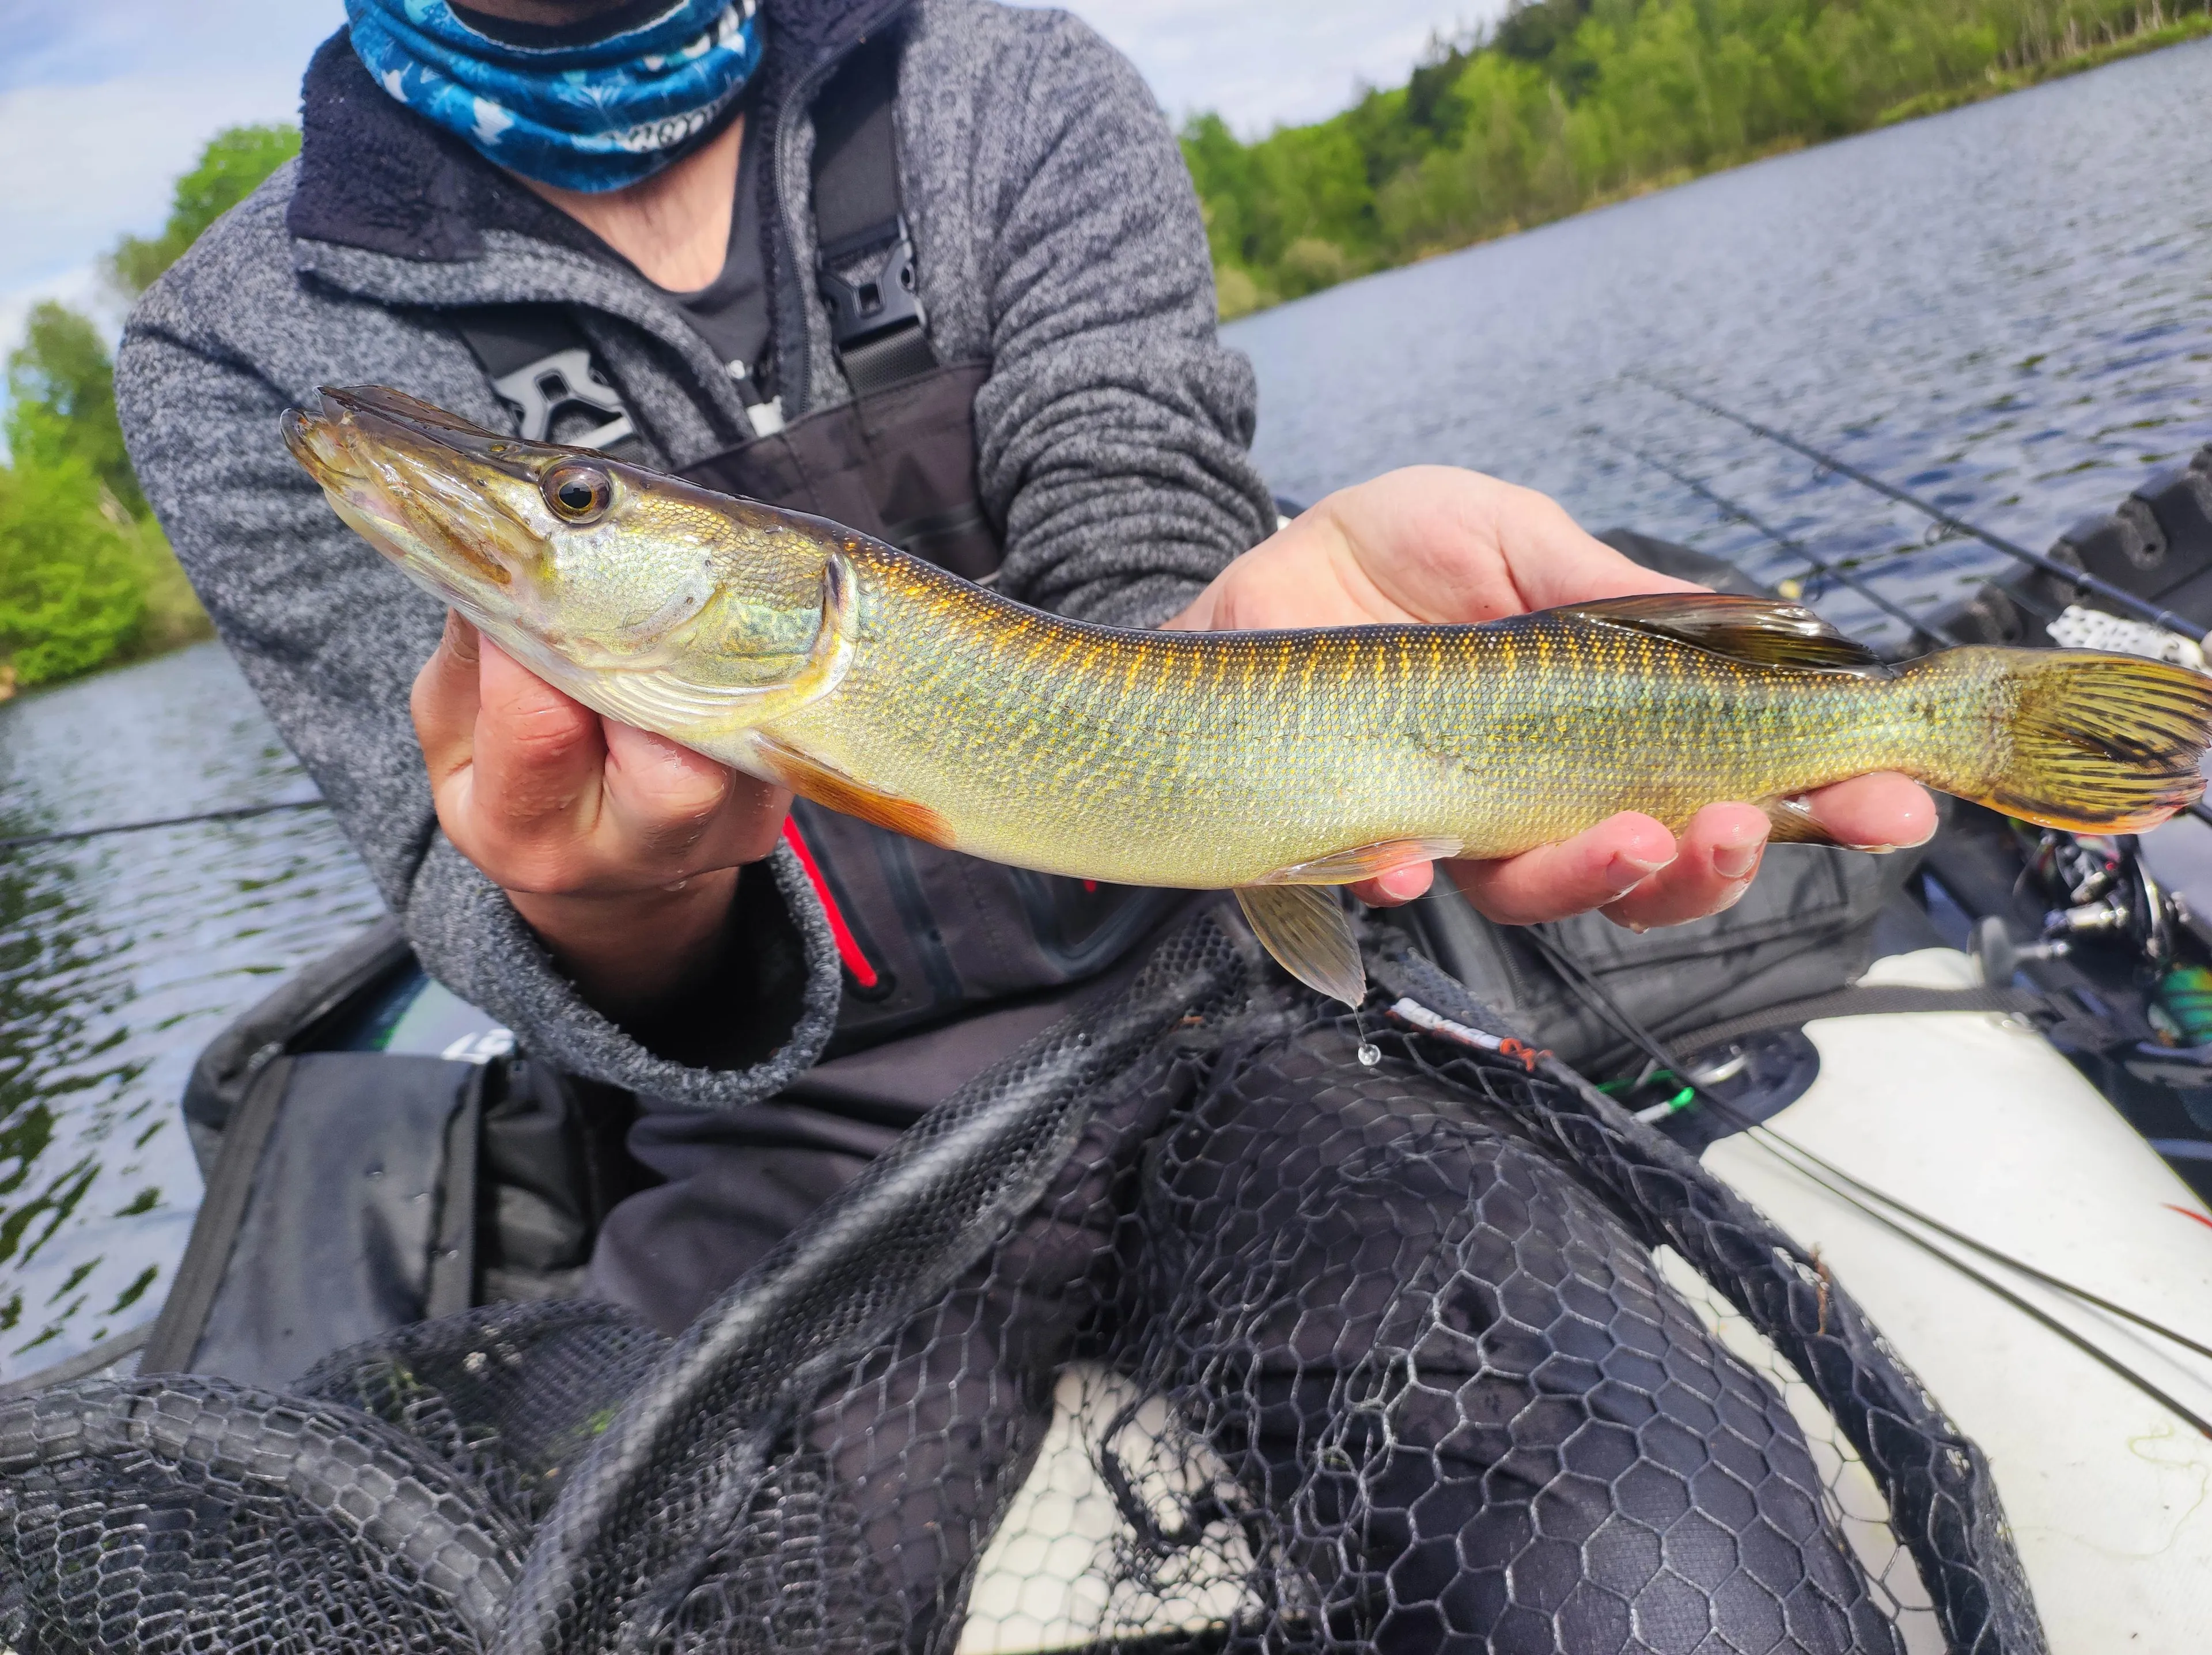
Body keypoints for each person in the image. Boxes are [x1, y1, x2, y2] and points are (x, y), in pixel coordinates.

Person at [118, 0, 1931, 1643]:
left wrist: (1238, 631)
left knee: (1680, 1586)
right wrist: (616, 906)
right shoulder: (241, 339)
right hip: (779, 1153)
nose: (535, 518)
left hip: (1226, 1014)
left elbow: (1131, 535)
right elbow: (473, 894)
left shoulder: (1002, 85)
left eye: (578, 508)